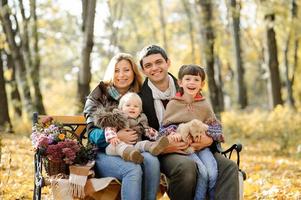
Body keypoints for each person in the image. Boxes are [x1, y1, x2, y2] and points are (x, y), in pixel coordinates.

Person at [138, 44, 239, 200]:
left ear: (168, 63)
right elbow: (140, 131)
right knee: (186, 166)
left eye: (159, 62)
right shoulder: (139, 97)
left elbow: (207, 120)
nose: (155, 68)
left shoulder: (188, 84)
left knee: (229, 167)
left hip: (199, 146)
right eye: (148, 65)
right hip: (164, 153)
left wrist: (209, 139)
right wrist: (164, 146)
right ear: (144, 70)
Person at [83, 53, 161, 200]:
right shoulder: (98, 96)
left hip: (134, 147)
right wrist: (117, 136)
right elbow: (92, 134)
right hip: (104, 152)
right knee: (133, 169)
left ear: (133, 72)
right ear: (111, 73)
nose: (121, 75)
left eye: (126, 70)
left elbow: (147, 125)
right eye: (117, 70)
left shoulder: (140, 96)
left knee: (152, 161)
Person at [160, 64, 225, 200]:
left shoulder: (205, 104)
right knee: (202, 172)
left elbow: (217, 129)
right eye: (188, 79)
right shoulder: (173, 103)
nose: (192, 82)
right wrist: (173, 133)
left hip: (202, 146)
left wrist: (207, 133)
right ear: (180, 82)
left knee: (212, 173)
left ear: (202, 84)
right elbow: (165, 128)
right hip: (186, 147)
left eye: (196, 80)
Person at [92, 92, 169, 164]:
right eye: (128, 105)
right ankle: (129, 154)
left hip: (134, 146)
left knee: (143, 143)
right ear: (121, 108)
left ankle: (154, 147)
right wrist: (113, 137)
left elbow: (148, 131)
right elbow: (109, 129)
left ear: (140, 110)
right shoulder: (119, 118)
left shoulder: (141, 121)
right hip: (114, 146)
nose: (132, 108)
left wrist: (159, 136)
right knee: (119, 146)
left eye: (136, 106)